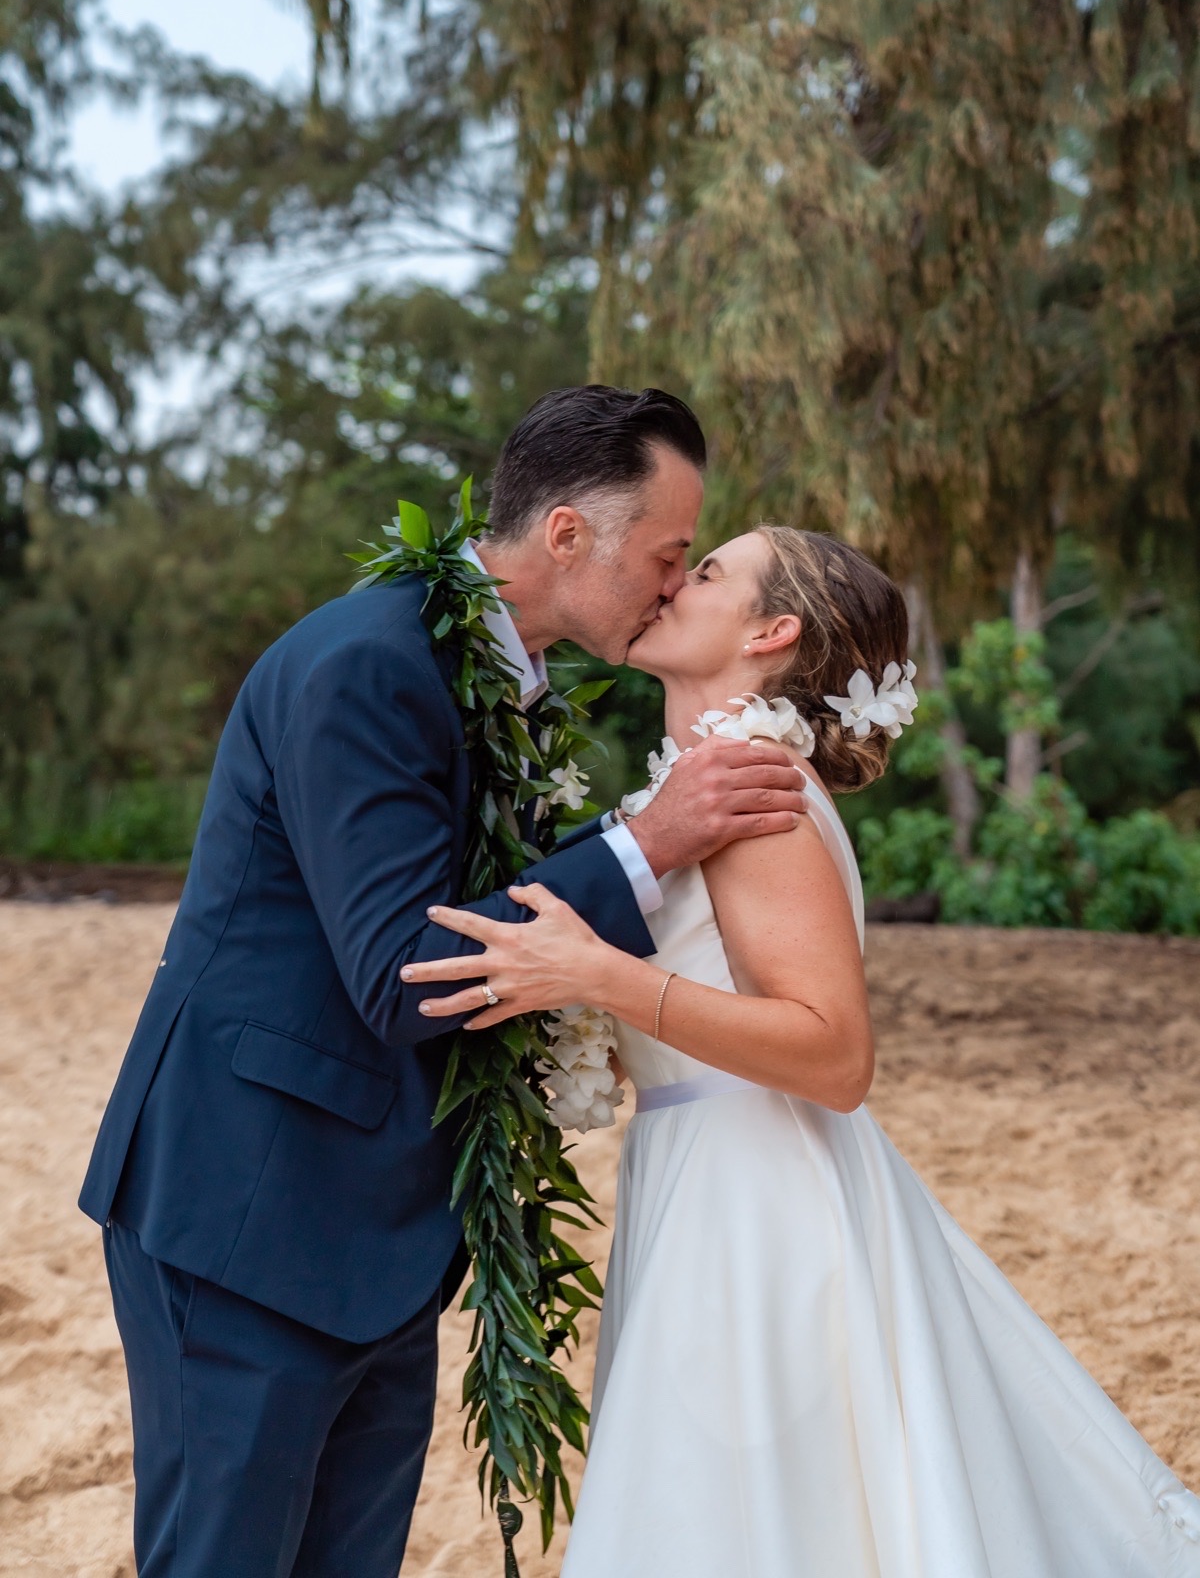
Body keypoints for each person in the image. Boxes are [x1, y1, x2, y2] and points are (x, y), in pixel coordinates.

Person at [78, 387, 812, 1578]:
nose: (675, 588)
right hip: (252, 1213)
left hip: (385, 1232)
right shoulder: (367, 667)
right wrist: (649, 844)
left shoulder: (502, 682)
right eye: (668, 557)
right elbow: (410, 975)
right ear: (568, 534)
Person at [404, 524, 1200, 1577]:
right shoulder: (709, 784)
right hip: (704, 1175)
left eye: (712, 572)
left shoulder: (754, 793)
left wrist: (601, 978)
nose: (678, 583)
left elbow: (835, 1055)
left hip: (759, 1202)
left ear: (772, 631)